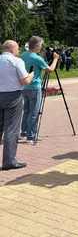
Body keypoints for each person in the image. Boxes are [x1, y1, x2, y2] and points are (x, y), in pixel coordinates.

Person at [0, 40, 34, 170]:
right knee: (11, 129)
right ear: (12, 49)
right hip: (13, 96)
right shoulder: (16, 61)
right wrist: (31, 75)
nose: (18, 51)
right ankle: (9, 161)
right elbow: (25, 80)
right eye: (18, 48)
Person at [20, 36, 59, 143]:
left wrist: (42, 56)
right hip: (34, 88)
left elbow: (34, 60)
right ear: (37, 46)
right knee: (34, 112)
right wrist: (55, 59)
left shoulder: (24, 54)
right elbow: (50, 69)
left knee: (26, 111)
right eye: (40, 45)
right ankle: (31, 136)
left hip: (25, 86)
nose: (41, 47)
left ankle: (23, 133)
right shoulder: (37, 59)